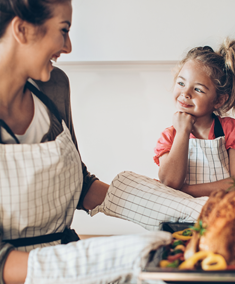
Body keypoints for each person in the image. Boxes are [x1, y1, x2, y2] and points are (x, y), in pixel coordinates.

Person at [0, 1, 208, 283]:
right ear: (22, 30)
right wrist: (109, 257)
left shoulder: (53, 86)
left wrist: (190, 209)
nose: (69, 46)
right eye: (63, 30)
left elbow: (77, 185)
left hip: (72, 258)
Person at [153, 41, 235, 197]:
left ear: (218, 100)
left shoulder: (230, 130)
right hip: (184, 219)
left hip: (226, 213)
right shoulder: (169, 137)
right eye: (181, 83)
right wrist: (183, 131)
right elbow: (170, 182)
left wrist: (186, 190)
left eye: (198, 89)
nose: (185, 93)